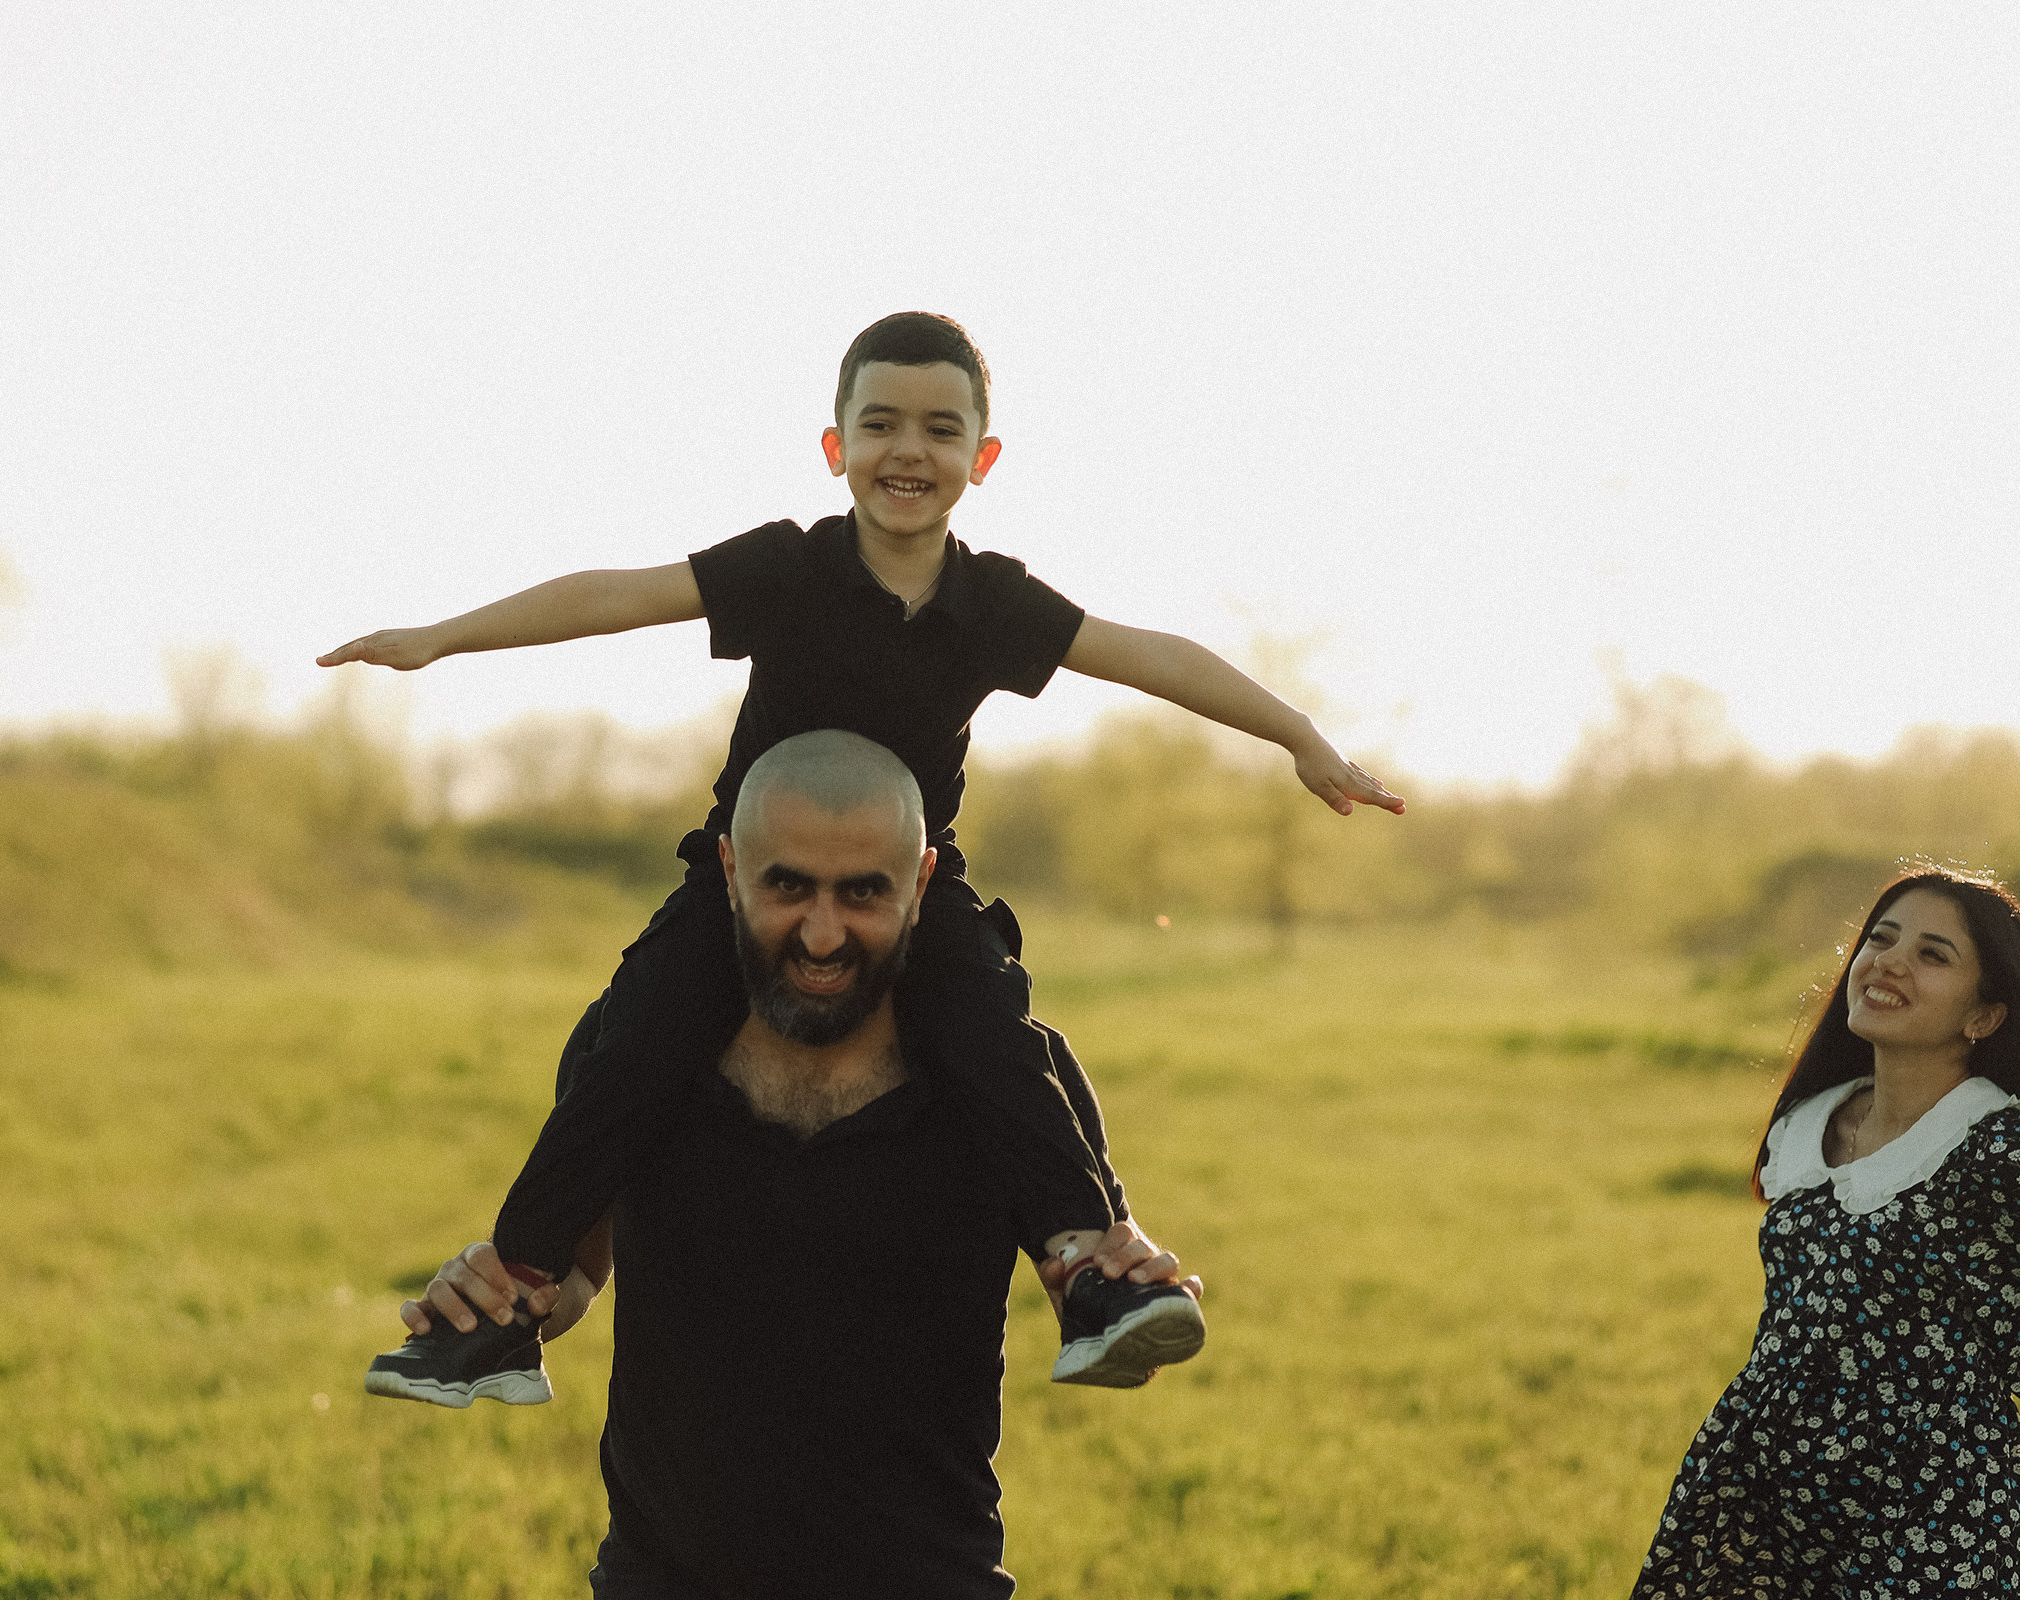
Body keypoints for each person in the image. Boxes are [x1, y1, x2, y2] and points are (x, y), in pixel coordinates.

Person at [325, 311, 1401, 1394]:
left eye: (940, 428)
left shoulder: (994, 603)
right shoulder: (788, 567)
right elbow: (619, 593)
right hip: (747, 877)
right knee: (634, 1041)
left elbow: (1147, 655)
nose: (908, 450)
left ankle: (1087, 1271)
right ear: (836, 446)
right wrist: (441, 638)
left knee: (998, 1042)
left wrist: (1300, 737)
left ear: (982, 459)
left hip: (911, 887)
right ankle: (510, 1298)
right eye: (880, 423)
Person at [393, 732, 1202, 1597]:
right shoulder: (630, 1052)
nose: (822, 934)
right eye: (789, 886)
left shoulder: (1015, 1082)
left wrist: (1137, 1281)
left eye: (863, 892)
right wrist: (490, 1295)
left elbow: (1098, 1307)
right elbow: (579, 1276)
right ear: (730, 870)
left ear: (921, 884)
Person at [1631, 867, 2020, 1599]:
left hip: (1931, 1524)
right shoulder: (1806, 1125)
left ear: (1985, 1016)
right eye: (1881, 938)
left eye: (1933, 954)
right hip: (1758, 1507)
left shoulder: (2006, 1156)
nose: (1890, 962)